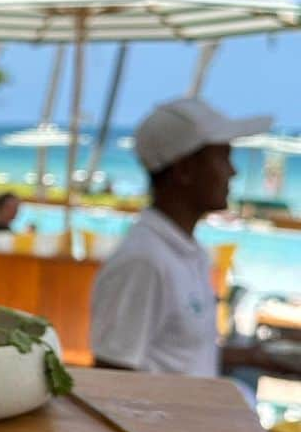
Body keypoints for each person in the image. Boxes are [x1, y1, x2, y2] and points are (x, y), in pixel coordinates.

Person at [91, 97, 296, 380]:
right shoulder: (144, 261)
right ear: (185, 170)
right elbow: (111, 379)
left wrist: (258, 356)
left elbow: (182, 356)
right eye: (223, 156)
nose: (232, 171)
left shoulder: (186, 250)